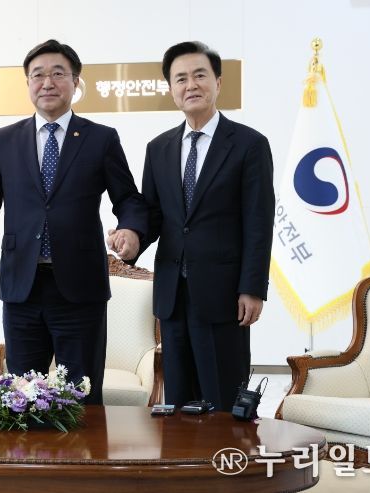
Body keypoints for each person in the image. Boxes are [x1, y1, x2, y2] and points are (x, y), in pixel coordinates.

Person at [0, 39, 147, 404]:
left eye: (58, 74)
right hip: (22, 288)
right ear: (28, 83)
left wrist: (131, 230)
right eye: (37, 75)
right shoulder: (5, 140)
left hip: (80, 289)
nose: (47, 83)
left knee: (81, 397)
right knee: (22, 399)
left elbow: (128, 199)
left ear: (75, 82)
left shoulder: (101, 139)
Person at [111, 41, 274, 411]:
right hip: (172, 296)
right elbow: (154, 215)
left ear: (218, 82)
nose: (191, 85)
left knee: (222, 401)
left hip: (224, 296)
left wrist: (252, 288)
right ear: (171, 89)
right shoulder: (159, 148)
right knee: (178, 404)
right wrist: (132, 237)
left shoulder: (249, 145)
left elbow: (259, 223)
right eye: (180, 79)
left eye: (200, 75)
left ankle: (227, 450)